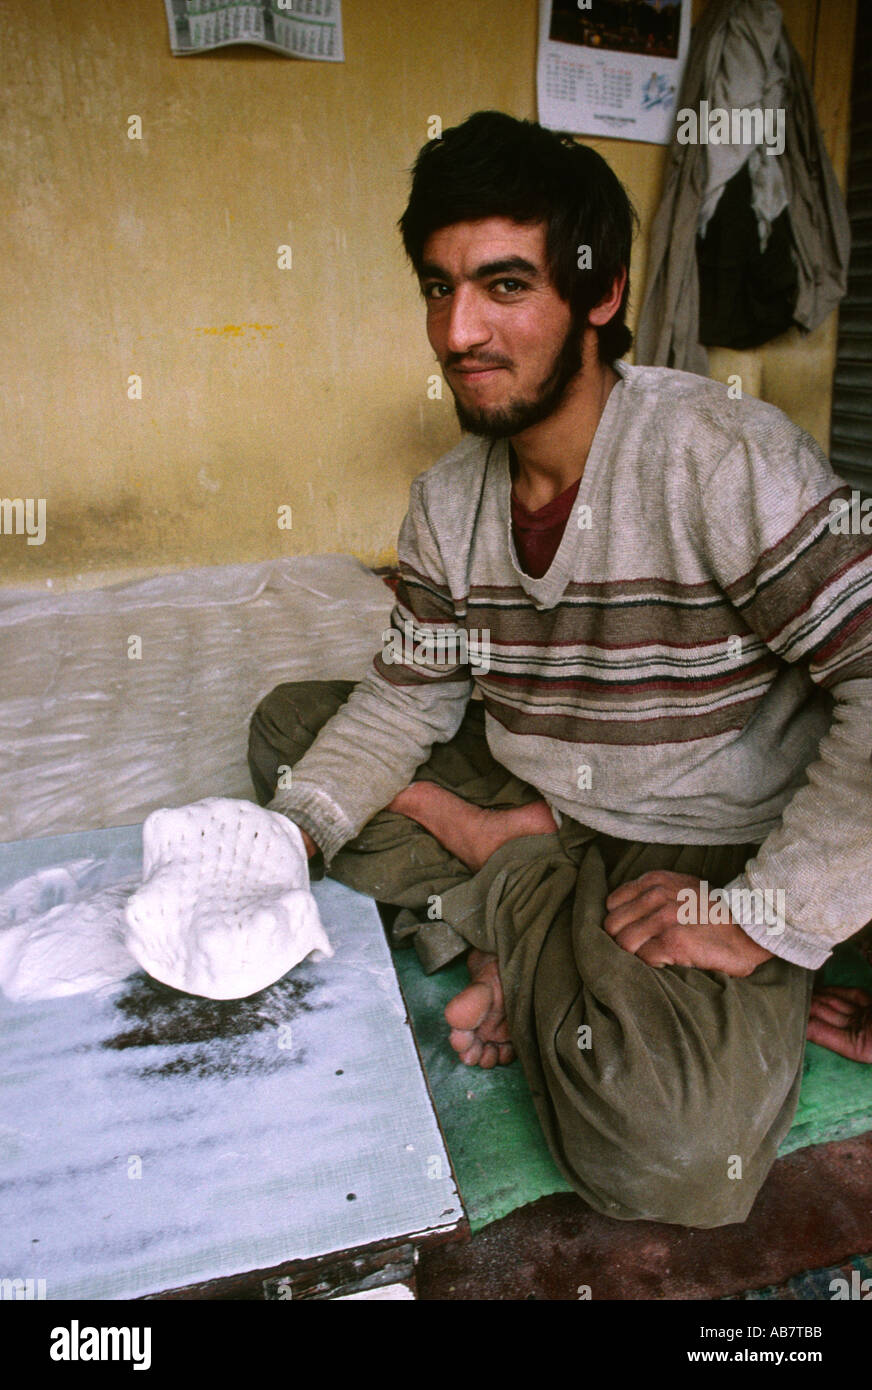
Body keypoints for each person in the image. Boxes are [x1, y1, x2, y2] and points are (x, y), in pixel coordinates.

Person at [248, 111, 872, 1226]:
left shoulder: (715, 456)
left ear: (600, 297)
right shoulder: (448, 501)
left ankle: (506, 901)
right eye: (437, 288)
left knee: (680, 1154)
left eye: (501, 286)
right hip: (550, 788)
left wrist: (758, 917)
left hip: (713, 834)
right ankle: (532, 880)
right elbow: (404, 696)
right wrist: (281, 844)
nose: (457, 329)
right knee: (293, 744)